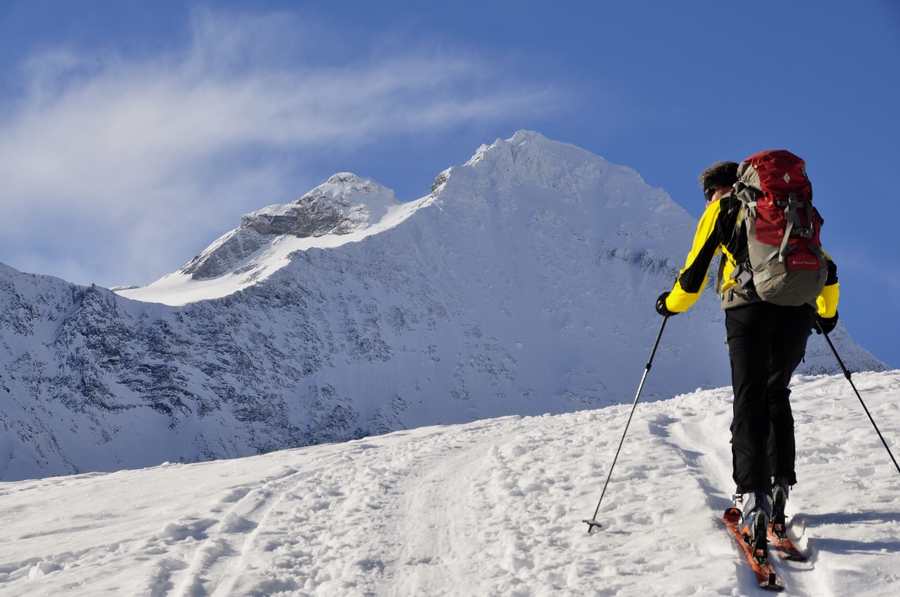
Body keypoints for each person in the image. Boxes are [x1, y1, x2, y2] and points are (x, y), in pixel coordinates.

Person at [655, 160, 839, 558]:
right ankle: (780, 490)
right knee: (777, 392)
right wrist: (826, 314)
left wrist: (669, 305)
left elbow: (693, 277)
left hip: (749, 310)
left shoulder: (721, 210)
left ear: (713, 190)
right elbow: (827, 268)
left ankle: (754, 502)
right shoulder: (784, 210)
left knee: (750, 397)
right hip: (799, 309)